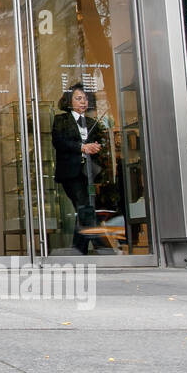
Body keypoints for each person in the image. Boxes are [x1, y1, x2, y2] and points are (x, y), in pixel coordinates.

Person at [51, 84, 108, 255]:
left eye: (85, 98)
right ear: (69, 101)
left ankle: (78, 251)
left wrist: (96, 147)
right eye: (78, 98)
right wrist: (82, 147)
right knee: (84, 207)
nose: (83, 102)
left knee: (84, 209)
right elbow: (59, 142)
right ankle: (104, 248)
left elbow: (101, 143)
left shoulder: (92, 122)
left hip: (89, 173)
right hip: (71, 173)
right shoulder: (61, 120)